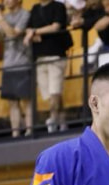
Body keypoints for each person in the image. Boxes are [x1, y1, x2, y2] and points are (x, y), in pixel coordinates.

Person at [24, 0, 71, 133]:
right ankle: (62, 121)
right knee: (50, 94)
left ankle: (53, 119)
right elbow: (28, 28)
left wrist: (35, 32)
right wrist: (32, 33)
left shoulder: (58, 6)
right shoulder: (35, 8)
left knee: (55, 91)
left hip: (55, 55)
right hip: (39, 57)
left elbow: (56, 26)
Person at [0, 0, 33, 137]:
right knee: (12, 101)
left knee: (26, 99)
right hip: (8, 64)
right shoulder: (5, 18)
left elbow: (13, 33)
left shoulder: (25, 14)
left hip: (23, 61)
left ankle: (30, 130)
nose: (7, 1)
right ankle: (15, 132)